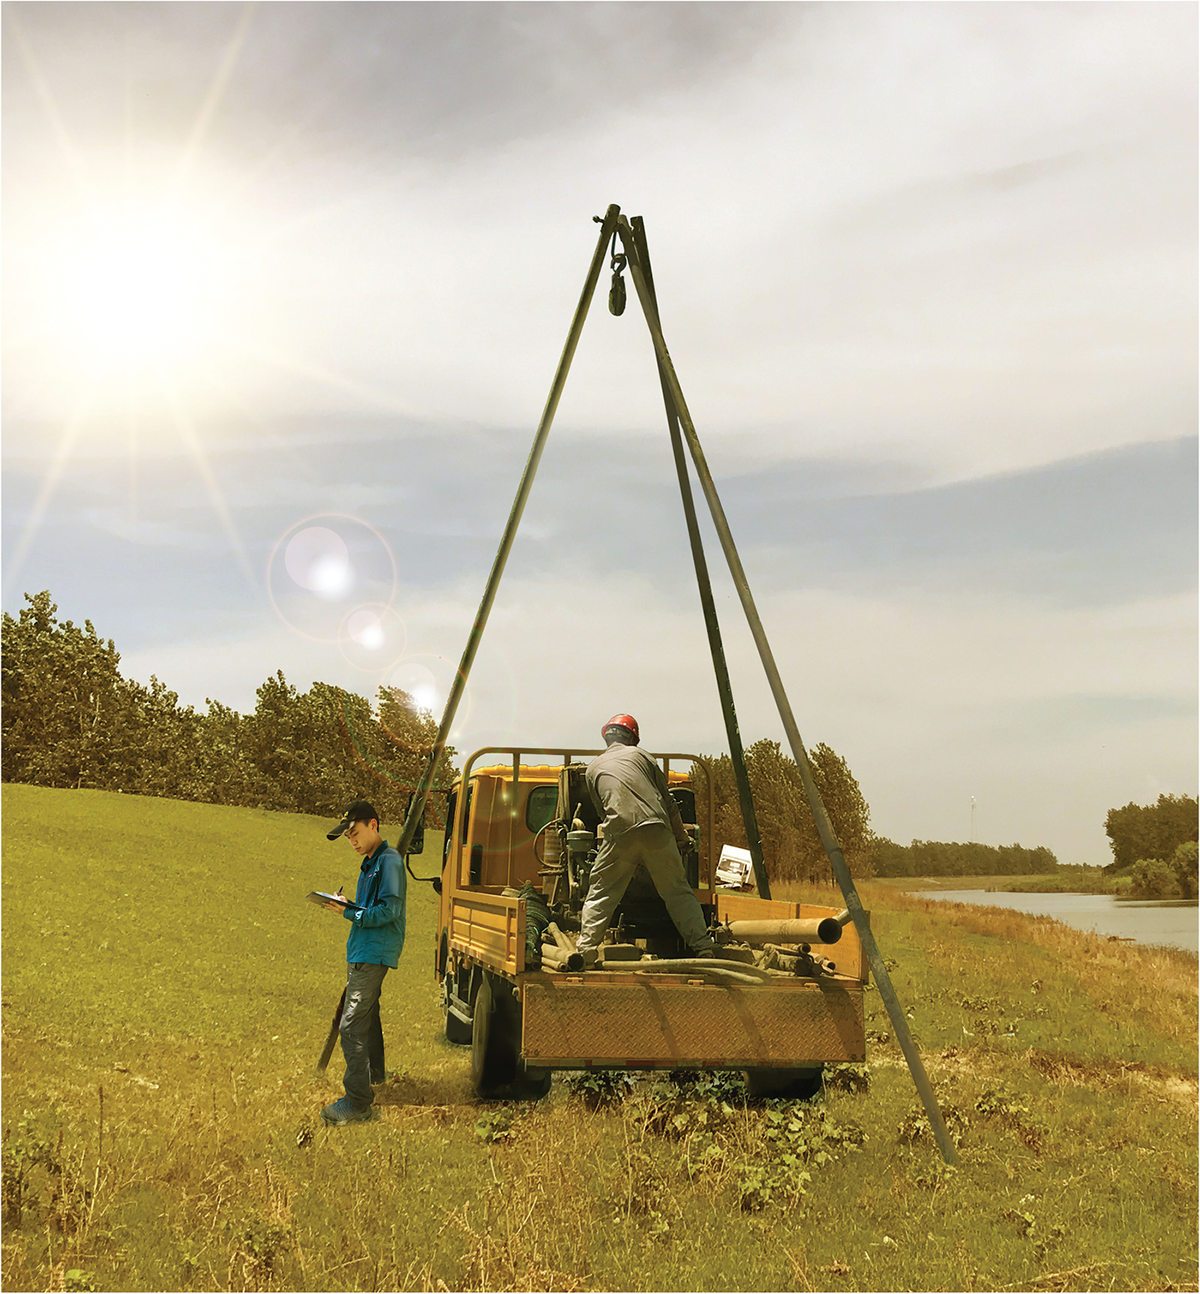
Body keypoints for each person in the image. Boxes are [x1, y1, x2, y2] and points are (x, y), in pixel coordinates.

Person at [576, 714, 717, 961]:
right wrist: (682, 839)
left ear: (607, 737)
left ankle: (586, 950)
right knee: (677, 891)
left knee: (601, 891)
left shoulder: (594, 768)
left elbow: (602, 813)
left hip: (619, 832)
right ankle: (703, 946)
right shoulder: (643, 757)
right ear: (633, 737)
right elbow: (669, 803)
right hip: (657, 829)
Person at [318, 799, 407, 1126]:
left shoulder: (390, 863)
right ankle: (376, 1074)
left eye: (355, 833)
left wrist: (348, 912)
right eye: (348, 837)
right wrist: (348, 905)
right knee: (368, 1016)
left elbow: (389, 911)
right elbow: (371, 908)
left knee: (351, 1025)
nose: (352, 841)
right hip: (362, 949)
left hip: (374, 953)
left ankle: (357, 1104)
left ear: (374, 825)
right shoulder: (371, 863)